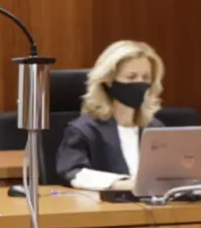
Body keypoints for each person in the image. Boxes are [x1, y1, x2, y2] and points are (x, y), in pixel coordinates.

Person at [56, 40, 166, 190]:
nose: (140, 83)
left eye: (146, 77)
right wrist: (121, 184)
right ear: (109, 81)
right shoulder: (84, 130)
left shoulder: (155, 129)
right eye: (131, 77)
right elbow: (73, 172)